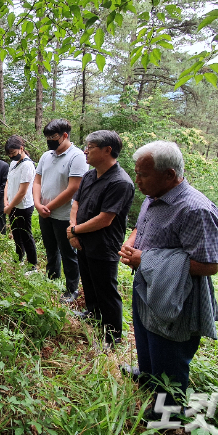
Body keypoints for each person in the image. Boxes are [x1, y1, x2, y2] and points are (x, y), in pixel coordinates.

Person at [119, 140, 218, 409]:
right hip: (148, 286)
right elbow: (140, 228)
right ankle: (148, 376)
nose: (137, 180)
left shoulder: (196, 209)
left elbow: (208, 264)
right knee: (146, 337)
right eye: (137, 172)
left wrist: (147, 259)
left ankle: (169, 414)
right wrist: (132, 243)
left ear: (169, 175)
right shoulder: (154, 197)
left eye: (143, 174)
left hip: (177, 296)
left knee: (170, 353)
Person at [67, 130, 134, 345]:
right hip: (82, 240)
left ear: (107, 150)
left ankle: (113, 337)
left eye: (91, 147)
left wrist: (75, 231)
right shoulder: (90, 174)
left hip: (103, 245)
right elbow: (76, 203)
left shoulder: (120, 182)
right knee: (88, 281)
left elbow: (105, 219)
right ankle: (92, 314)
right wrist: (73, 229)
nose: (85, 150)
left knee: (106, 290)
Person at [33, 119, 88, 302]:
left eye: (53, 137)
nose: (50, 140)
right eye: (47, 137)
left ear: (65, 136)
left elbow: (73, 188)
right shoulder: (46, 155)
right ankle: (51, 278)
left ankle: (72, 289)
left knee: (68, 253)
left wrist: (48, 206)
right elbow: (37, 180)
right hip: (44, 212)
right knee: (50, 249)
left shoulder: (77, 156)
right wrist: (37, 203)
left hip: (64, 215)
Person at [3, 135, 38, 272]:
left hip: (23, 206)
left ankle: (32, 264)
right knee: (16, 233)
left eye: (13, 153)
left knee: (25, 235)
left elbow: (23, 191)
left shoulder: (28, 165)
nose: (11, 156)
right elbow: (8, 182)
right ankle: (19, 258)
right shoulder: (13, 164)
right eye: (9, 154)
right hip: (11, 205)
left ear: (21, 149)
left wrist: (10, 206)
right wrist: (6, 200)